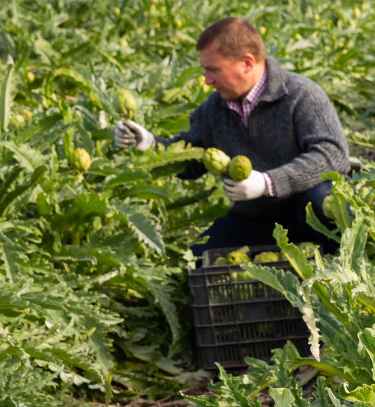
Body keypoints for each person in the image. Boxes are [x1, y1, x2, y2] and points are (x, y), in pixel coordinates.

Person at [113, 16, 351, 256]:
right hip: (256, 219)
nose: (207, 80)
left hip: (308, 215)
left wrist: (267, 183)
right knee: (198, 257)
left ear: (246, 63)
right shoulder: (214, 109)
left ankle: (342, 260)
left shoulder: (302, 95)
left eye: (213, 70)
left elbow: (333, 155)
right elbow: (191, 158)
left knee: (324, 201)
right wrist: (150, 144)